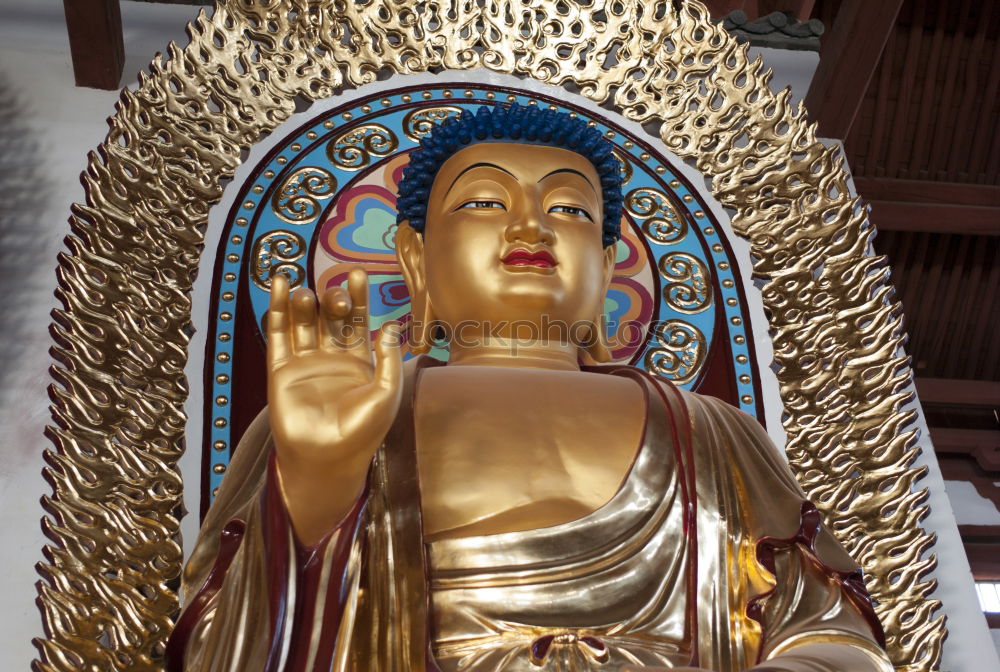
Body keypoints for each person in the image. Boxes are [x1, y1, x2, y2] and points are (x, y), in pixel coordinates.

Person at [167, 105, 892, 672]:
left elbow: (842, 643)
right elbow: (214, 646)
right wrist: (318, 488)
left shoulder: (712, 429)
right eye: (483, 202)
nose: (531, 226)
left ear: (607, 268)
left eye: (571, 210)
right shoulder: (335, 415)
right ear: (415, 259)